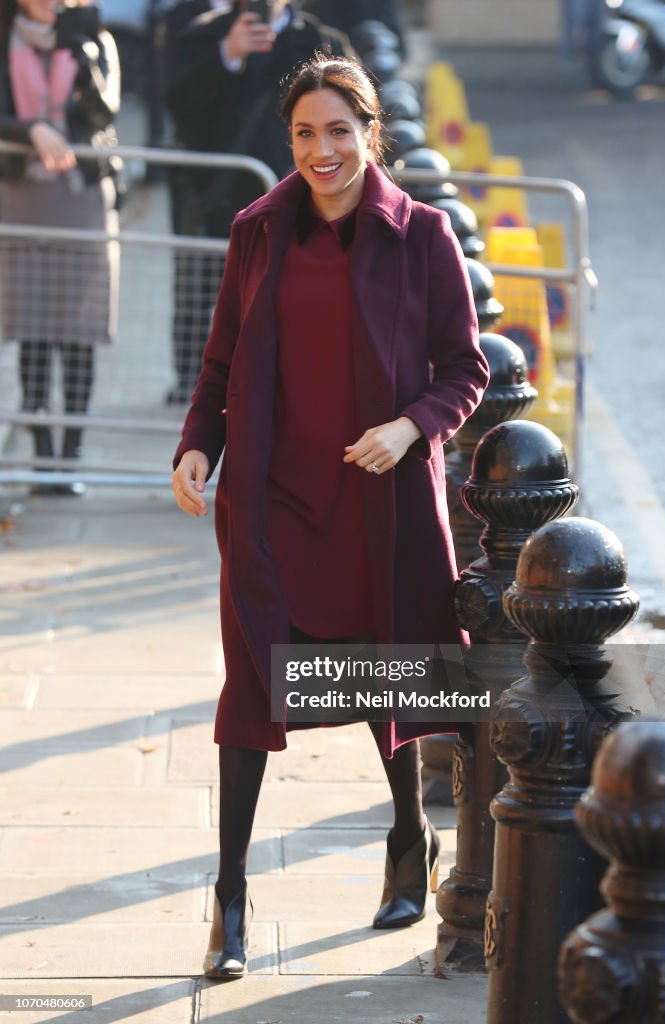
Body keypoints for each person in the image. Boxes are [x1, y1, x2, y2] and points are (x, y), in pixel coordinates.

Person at [172, 54, 489, 980]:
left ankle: (406, 842)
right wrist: (199, 446)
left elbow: (464, 370)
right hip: (272, 502)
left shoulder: (422, 234)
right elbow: (220, 366)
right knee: (254, 687)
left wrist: (408, 427)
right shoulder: (256, 232)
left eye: (339, 132)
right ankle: (229, 898)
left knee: (382, 672)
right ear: (291, 140)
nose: (322, 151)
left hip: (377, 498)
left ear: (369, 132)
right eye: (305, 134)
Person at [162, 0, 352, 404]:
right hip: (213, 194)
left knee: (291, 289)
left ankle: (282, 378)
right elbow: (177, 103)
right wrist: (227, 55)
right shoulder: (203, 34)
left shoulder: (320, 41)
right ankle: (193, 380)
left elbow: (354, 112)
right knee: (201, 287)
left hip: (298, 196)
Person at [0, 0, 120, 494]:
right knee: (32, 327)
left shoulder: (97, 41)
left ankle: (72, 455)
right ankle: (43, 456)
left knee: (79, 329)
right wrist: (29, 130)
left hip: (82, 197)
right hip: (20, 197)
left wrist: (83, 52)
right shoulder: (6, 36)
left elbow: (104, 111)